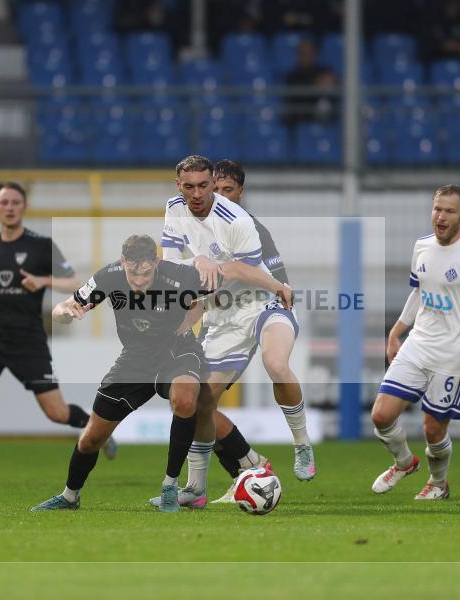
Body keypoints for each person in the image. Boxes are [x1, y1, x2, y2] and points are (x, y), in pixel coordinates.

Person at [29, 234, 288, 512]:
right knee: (92, 436)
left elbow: (236, 271)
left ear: (156, 262)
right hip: (135, 360)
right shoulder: (108, 277)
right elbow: (62, 308)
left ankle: (170, 485)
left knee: (186, 399)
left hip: (178, 350)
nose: (138, 280)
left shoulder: (181, 276)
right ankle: (70, 496)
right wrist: (64, 313)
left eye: (145, 272)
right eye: (132, 272)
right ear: (122, 262)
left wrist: (277, 286)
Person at [0, 181, 116, 487]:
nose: (9, 207)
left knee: (56, 413)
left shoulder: (41, 246)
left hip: (28, 339)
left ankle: (96, 429)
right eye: (3, 202)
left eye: (15, 202)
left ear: (24, 207)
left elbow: (73, 282)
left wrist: (43, 280)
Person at [158, 155, 309, 509]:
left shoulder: (242, 223)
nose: (202, 194)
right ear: (179, 187)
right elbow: (173, 264)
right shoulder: (176, 210)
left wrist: (275, 287)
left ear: (236, 192)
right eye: (190, 187)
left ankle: (301, 446)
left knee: (276, 364)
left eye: (216, 187)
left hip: (263, 303)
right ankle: (215, 480)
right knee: (198, 401)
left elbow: (247, 272)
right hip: (222, 312)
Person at [370, 184, 460, 500]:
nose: (441, 216)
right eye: (437, 209)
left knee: (433, 430)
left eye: (449, 211)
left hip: (454, 354)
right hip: (418, 344)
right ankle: (404, 463)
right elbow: (420, 291)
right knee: (381, 416)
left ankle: (438, 484)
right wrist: (396, 331)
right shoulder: (421, 246)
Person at [282, 39, 338, 131]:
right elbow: (296, 96)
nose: (306, 56)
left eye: (309, 53)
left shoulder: (324, 71)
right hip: (300, 118)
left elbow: (335, 84)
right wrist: (316, 84)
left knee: (325, 102)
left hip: (322, 115)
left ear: (315, 54)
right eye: (303, 53)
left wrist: (330, 82)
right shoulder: (292, 75)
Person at [419, 0, 460, 64]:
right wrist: (446, 46)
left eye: (456, 5)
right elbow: (429, 48)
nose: (453, 8)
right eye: (451, 5)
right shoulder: (435, 23)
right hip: (440, 61)